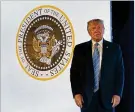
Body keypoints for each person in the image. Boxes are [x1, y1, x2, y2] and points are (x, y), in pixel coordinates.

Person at [70, 19, 124, 112]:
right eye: (93, 28)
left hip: (108, 99)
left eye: (99, 27)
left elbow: (120, 73)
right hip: (86, 98)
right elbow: (74, 74)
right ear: (89, 31)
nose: (96, 30)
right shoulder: (80, 49)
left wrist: (118, 93)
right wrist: (76, 93)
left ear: (104, 29)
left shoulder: (114, 49)